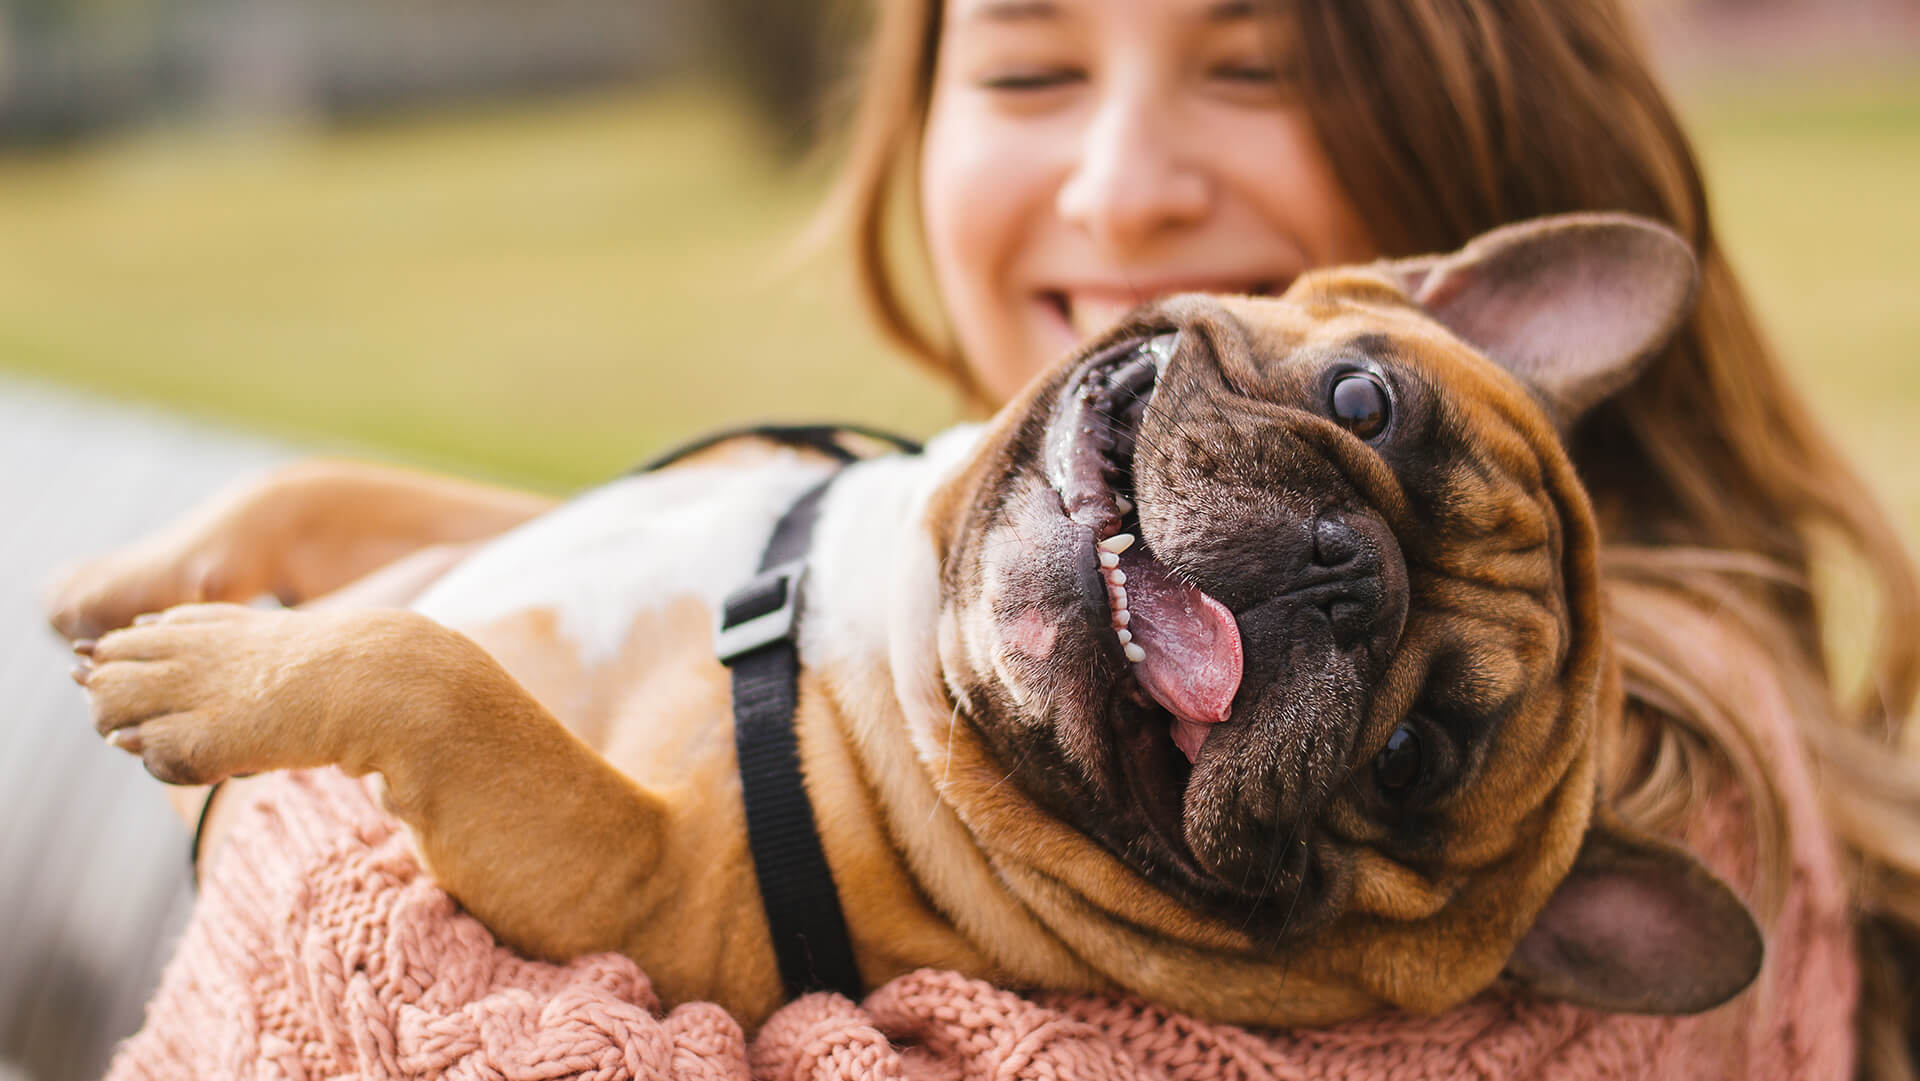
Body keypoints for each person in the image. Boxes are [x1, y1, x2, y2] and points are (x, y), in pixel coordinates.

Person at [76, 0, 1920, 1077]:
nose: (1121, 184)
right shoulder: (962, 537)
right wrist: (340, 526)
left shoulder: (1681, 785)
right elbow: (642, 569)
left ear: (1486, 130)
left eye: (1254, 69)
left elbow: (314, 1030)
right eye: (1030, 71)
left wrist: (287, 770)